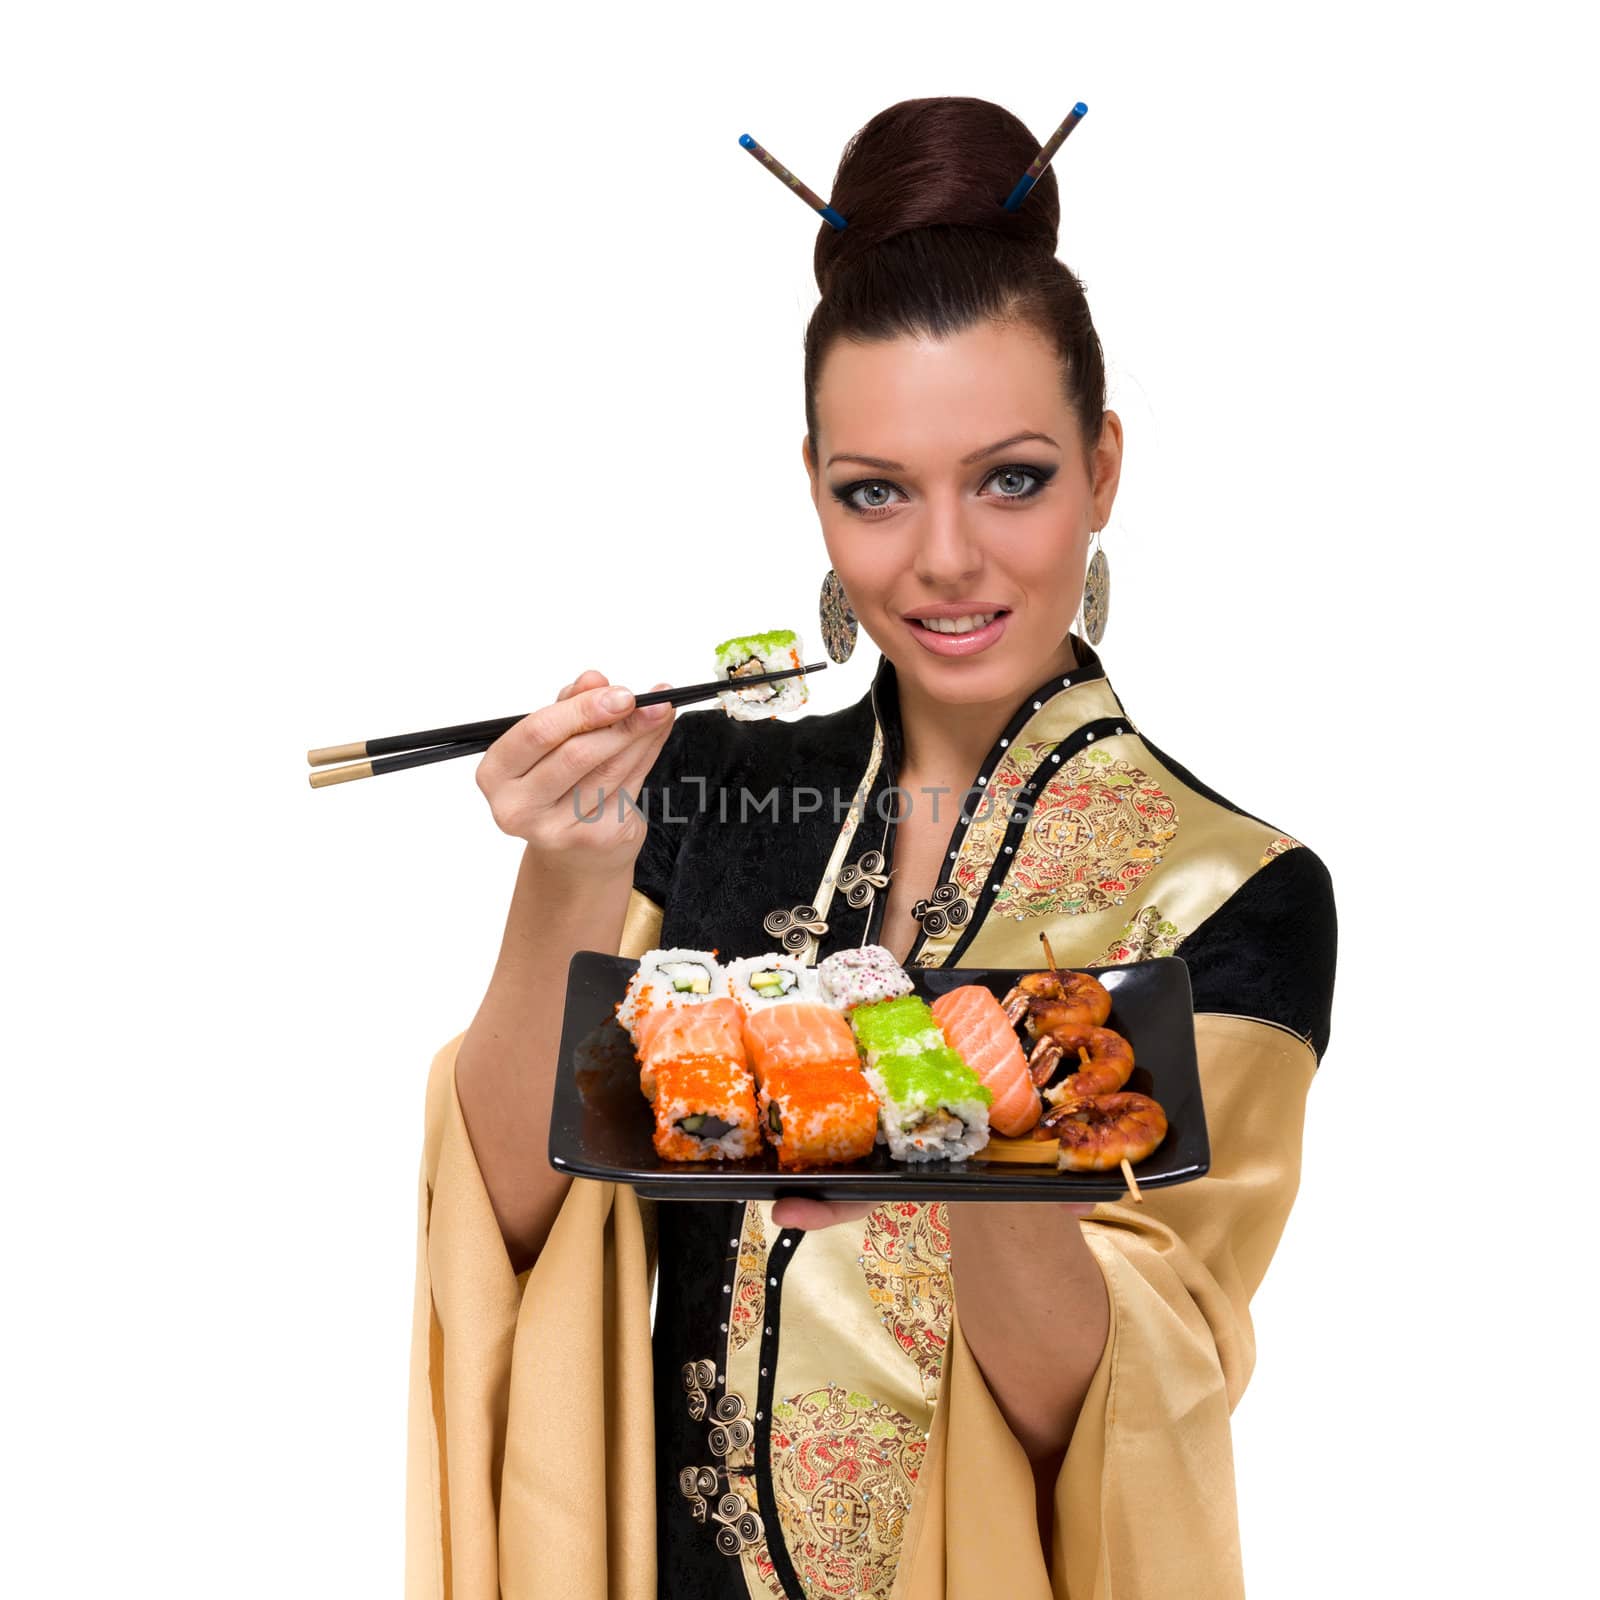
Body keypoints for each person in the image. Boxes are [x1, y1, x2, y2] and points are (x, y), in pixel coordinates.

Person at [405, 97, 1337, 1600]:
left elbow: (1128, 1408)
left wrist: (972, 1154)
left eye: (1013, 477)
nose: (946, 558)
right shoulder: (707, 787)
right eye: (877, 492)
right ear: (817, 488)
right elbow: (518, 1221)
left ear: (1104, 468)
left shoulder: (1227, 889)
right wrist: (570, 875)